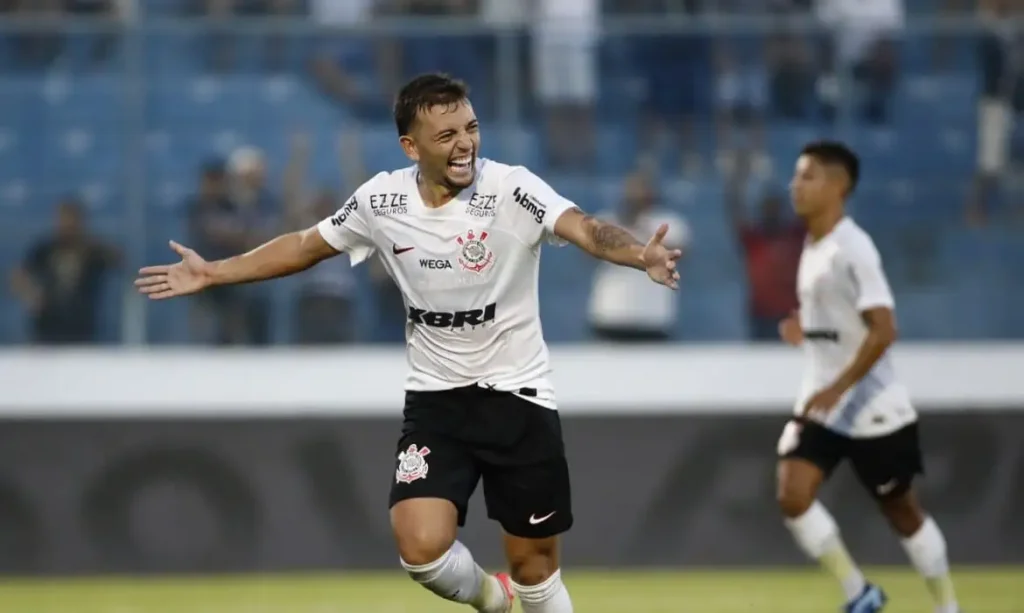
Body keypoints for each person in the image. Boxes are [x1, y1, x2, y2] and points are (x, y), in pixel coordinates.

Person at [135, 73, 681, 613]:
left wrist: (640, 254)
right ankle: (493, 599)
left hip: (518, 395)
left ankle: (521, 594)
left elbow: (585, 228)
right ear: (410, 147)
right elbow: (305, 245)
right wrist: (215, 272)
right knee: (421, 550)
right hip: (436, 400)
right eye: (447, 135)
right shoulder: (381, 200)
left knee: (535, 570)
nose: (465, 144)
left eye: (470, 128)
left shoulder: (512, 188)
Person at [777, 141, 960, 613]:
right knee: (793, 495)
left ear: (839, 186)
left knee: (902, 511)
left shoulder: (853, 248)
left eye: (808, 176)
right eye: (796, 176)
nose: (795, 185)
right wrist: (806, 331)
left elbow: (883, 329)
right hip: (823, 403)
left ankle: (948, 606)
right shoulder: (814, 245)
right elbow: (842, 322)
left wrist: (839, 386)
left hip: (870, 405)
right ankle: (859, 593)